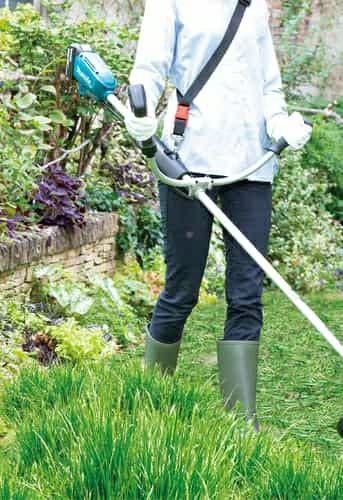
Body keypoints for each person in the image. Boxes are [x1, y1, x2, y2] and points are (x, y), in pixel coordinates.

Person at [125, 0, 311, 428]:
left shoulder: (253, 6)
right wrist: (141, 113)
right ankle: (148, 409)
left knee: (246, 295)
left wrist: (280, 124)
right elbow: (149, 69)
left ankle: (241, 425)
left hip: (251, 165)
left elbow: (268, 85)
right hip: (188, 159)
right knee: (181, 290)